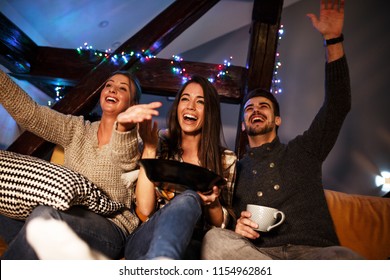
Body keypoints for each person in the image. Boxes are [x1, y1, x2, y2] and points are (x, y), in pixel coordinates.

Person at [201, 0, 363, 260]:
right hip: (260, 257)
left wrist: (333, 40)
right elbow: (222, 220)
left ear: (277, 120)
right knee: (215, 240)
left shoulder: (305, 150)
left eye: (264, 106)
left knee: (348, 259)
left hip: (313, 255)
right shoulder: (233, 169)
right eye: (249, 108)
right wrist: (235, 227)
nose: (256, 110)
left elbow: (338, 104)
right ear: (243, 124)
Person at [0, 69, 162, 259]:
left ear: (133, 104)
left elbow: (124, 159)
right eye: (108, 85)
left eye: (122, 88)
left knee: (45, 216)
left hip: (111, 226)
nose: (112, 90)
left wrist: (124, 127)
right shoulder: (76, 129)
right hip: (64, 213)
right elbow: (30, 114)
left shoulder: (137, 143)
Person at [118, 75, 237, 259]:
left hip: (194, 244)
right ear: (178, 107)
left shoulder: (226, 160)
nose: (190, 106)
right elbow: (145, 210)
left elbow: (223, 225)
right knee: (190, 197)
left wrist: (212, 202)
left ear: (210, 112)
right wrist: (149, 148)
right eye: (185, 99)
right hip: (145, 237)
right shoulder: (160, 142)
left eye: (200, 102)